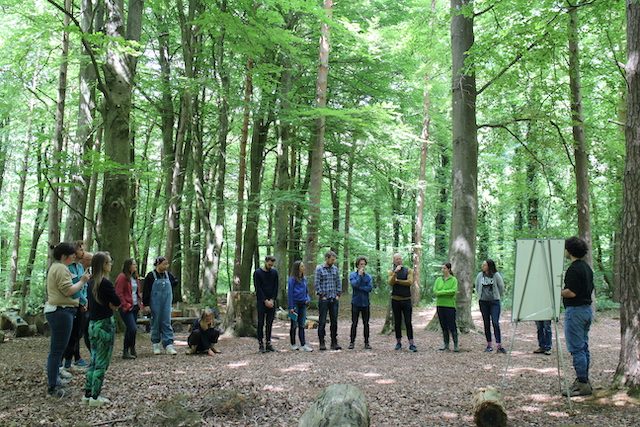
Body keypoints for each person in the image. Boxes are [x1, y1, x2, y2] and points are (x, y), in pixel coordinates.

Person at [44, 242, 91, 398]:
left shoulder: (57, 267)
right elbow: (68, 290)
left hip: (62, 311)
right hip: (61, 311)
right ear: (64, 256)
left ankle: (55, 378)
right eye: (71, 255)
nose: (73, 258)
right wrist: (83, 281)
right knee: (57, 350)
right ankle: (53, 387)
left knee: (58, 349)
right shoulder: (61, 268)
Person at [83, 251, 121, 407]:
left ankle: (88, 394)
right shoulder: (104, 283)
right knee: (101, 361)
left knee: (93, 359)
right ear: (104, 265)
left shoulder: (91, 282)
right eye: (109, 262)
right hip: (104, 325)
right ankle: (95, 396)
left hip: (92, 325)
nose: (110, 265)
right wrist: (112, 305)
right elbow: (117, 301)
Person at [561, 236, 594, 397]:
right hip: (586, 310)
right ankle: (584, 380)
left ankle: (582, 383)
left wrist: (557, 291)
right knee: (583, 347)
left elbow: (571, 292)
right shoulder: (586, 268)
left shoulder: (574, 269)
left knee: (576, 348)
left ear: (570, 250)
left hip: (576, 312)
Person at [62, 241, 90, 372]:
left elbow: (84, 285)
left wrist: (85, 301)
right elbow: (73, 286)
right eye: (80, 250)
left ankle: (69, 362)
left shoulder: (80, 267)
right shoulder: (67, 268)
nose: (83, 252)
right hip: (72, 304)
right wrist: (81, 301)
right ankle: (63, 364)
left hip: (81, 305)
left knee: (77, 335)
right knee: (69, 335)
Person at [143, 256, 179, 355]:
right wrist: (146, 304)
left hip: (166, 302)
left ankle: (168, 345)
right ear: (157, 264)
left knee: (166, 322)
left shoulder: (168, 275)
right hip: (155, 303)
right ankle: (155, 344)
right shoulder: (151, 276)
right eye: (164, 264)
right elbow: (146, 290)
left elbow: (175, 282)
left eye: (167, 264)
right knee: (155, 322)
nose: (166, 266)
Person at [475, 259, 506, 353]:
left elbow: (501, 287)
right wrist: (480, 295)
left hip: (494, 302)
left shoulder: (496, 275)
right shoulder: (480, 275)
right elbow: (477, 286)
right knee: (486, 323)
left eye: (484, 265)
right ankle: (489, 344)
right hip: (483, 302)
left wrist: (497, 296)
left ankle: (499, 345)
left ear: (489, 266)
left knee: (495, 322)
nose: (482, 266)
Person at [388, 253, 417, 352]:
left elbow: (409, 282)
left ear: (402, 260)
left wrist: (398, 281)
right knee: (397, 322)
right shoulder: (391, 272)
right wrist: (395, 273)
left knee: (408, 322)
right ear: (393, 261)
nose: (398, 261)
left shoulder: (408, 270)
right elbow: (391, 282)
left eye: (399, 259)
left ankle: (411, 343)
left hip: (406, 299)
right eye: (396, 259)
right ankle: (398, 342)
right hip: (396, 300)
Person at [115, 258, 142, 360]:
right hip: (126, 308)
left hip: (135, 306)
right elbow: (119, 293)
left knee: (131, 329)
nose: (135, 266)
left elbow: (136, 292)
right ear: (128, 266)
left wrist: (139, 304)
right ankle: (126, 349)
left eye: (135, 265)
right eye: (133, 264)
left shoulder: (135, 278)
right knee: (132, 328)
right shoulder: (122, 277)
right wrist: (125, 305)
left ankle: (131, 348)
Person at [316, 250, 342, 351]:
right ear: (327, 259)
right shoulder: (319, 269)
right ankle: (322, 342)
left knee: (334, 321)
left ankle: (334, 342)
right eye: (332, 259)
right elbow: (317, 283)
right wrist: (322, 295)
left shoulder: (335, 269)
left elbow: (338, 282)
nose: (333, 261)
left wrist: (338, 294)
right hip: (324, 299)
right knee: (322, 321)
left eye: (334, 260)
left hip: (334, 299)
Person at [254, 255, 279, 353]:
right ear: (265, 262)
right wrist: (265, 301)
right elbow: (258, 288)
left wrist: (272, 299)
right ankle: (260, 344)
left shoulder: (274, 273)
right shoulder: (257, 273)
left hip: (271, 301)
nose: (271, 266)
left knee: (270, 323)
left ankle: (268, 343)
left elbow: (276, 286)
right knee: (261, 323)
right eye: (269, 264)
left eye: (272, 265)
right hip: (261, 302)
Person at [433, 262, 459, 352]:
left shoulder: (453, 280)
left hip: (450, 305)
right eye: (442, 268)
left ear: (449, 269)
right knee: (443, 325)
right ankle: (446, 344)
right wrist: (444, 293)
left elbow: (453, 291)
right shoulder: (438, 280)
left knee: (452, 324)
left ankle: (455, 344)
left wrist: (441, 292)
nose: (442, 270)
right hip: (440, 305)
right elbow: (435, 291)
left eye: (444, 268)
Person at [348, 256, 373, 350]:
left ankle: (366, 342)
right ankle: (352, 342)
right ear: (357, 265)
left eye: (364, 264)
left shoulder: (368, 276)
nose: (363, 266)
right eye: (361, 264)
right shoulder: (352, 275)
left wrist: (360, 288)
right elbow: (355, 284)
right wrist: (359, 275)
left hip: (365, 303)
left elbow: (369, 288)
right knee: (354, 323)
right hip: (356, 302)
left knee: (366, 323)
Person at [288, 260, 312, 352]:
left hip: (303, 304)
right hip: (294, 304)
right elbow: (290, 293)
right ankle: (293, 344)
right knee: (294, 324)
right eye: (302, 266)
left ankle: (303, 344)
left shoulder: (304, 279)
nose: (304, 268)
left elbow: (306, 291)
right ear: (297, 268)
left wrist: (307, 299)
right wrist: (290, 307)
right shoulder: (292, 280)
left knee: (302, 324)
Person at [81, 252, 93, 353]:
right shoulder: (79, 272)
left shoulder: (89, 273)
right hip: (81, 305)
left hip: (89, 305)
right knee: (81, 331)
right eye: (90, 260)